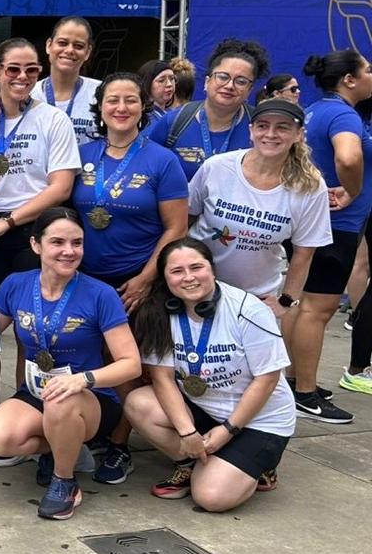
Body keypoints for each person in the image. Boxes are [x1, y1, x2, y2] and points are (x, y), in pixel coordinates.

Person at [0, 38, 79, 447]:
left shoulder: (53, 121)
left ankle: (32, 403)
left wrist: (10, 221)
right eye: (13, 69)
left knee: (32, 328)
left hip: (30, 234)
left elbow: (61, 187)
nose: (22, 77)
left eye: (31, 70)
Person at [0, 208, 141, 519]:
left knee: (61, 399)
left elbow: (130, 364)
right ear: (36, 245)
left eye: (77, 243)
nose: (69, 251)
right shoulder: (15, 284)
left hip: (88, 399)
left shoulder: (101, 294)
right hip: (37, 391)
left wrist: (83, 380)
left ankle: (64, 481)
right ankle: (62, 447)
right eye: (57, 242)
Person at [71, 73, 189, 483]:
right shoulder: (81, 154)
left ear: (144, 107)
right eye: (112, 101)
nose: (121, 108)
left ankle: (120, 447)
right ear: (100, 108)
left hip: (138, 280)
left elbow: (176, 228)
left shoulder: (161, 160)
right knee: (93, 361)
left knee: (133, 367)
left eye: (131, 101)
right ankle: (96, 433)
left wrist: (144, 278)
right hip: (86, 279)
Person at [126, 238, 295, 507]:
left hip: (259, 418)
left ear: (212, 269)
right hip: (205, 407)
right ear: (165, 278)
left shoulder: (247, 309)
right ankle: (191, 464)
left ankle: (257, 465)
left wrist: (228, 430)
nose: (189, 278)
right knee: (138, 403)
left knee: (211, 498)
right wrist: (187, 434)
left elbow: (268, 379)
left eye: (196, 267)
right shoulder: (158, 312)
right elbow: (163, 378)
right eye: (177, 271)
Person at [188, 98, 329, 314]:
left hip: (255, 299)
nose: (271, 134)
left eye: (282, 127)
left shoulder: (310, 186)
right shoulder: (217, 167)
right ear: (251, 131)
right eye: (263, 126)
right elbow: (184, 220)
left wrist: (286, 301)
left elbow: (304, 251)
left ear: (298, 134)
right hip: (197, 290)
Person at [289, 52, 372, 417]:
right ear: (349, 80)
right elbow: (349, 158)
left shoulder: (317, 109)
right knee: (317, 310)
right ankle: (305, 393)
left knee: (300, 304)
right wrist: (350, 190)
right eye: (367, 69)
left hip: (317, 223)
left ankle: (294, 380)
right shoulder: (342, 114)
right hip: (335, 226)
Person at [149, 39, 268, 181]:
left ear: (250, 90)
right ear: (207, 82)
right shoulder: (174, 121)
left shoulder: (261, 126)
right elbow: (148, 170)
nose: (230, 85)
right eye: (223, 77)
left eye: (241, 81)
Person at [34, 16, 101, 144]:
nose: (70, 50)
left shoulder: (101, 93)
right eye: (63, 43)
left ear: (88, 52)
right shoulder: (29, 95)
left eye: (79, 46)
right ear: (49, 45)